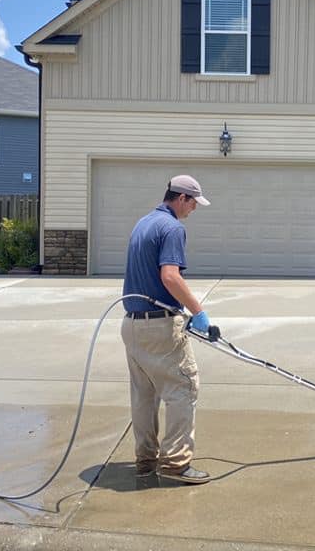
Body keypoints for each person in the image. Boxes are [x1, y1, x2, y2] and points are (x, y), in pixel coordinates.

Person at [121, 174, 214, 484]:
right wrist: (198, 312)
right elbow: (170, 277)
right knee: (183, 388)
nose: (194, 209)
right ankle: (176, 464)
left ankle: (146, 460)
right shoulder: (172, 228)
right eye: (193, 203)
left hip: (132, 325)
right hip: (160, 327)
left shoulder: (143, 223)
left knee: (144, 395)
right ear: (182, 198)